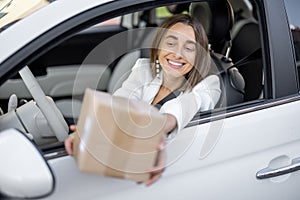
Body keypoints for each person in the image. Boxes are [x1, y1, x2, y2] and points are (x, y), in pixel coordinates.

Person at [65, 13, 221, 186]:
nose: (177, 54)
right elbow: (121, 101)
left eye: (189, 48)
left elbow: (189, 103)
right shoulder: (143, 70)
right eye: (170, 43)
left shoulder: (209, 84)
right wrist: (89, 131)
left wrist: (159, 129)